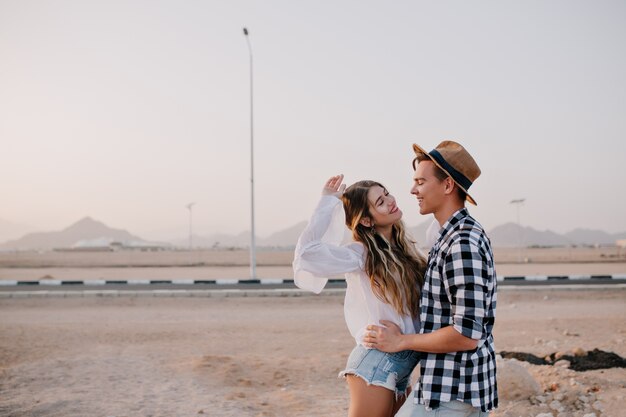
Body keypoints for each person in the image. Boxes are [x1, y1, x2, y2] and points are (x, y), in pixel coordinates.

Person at [364, 141, 498, 416]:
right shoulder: (448, 236)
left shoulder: (461, 242)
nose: (413, 190)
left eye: (421, 182)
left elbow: (466, 334)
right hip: (452, 387)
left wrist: (401, 341)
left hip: (452, 392)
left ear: (448, 186)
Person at [293, 174, 427, 417]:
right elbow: (307, 255)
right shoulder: (360, 254)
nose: (390, 201)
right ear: (366, 220)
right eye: (380, 202)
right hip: (375, 364)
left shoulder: (404, 249)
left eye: (386, 194)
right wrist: (327, 203)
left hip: (402, 363)